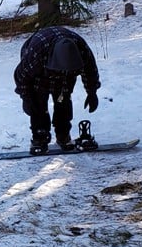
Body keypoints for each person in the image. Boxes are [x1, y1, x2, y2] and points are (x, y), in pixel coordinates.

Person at [13, 26, 100, 155]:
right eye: (62, 71)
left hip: (62, 75)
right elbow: (21, 76)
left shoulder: (81, 50)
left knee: (63, 99)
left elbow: (90, 71)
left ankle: (63, 133)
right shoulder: (37, 53)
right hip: (40, 73)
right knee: (38, 102)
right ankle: (39, 136)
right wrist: (26, 97)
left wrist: (92, 92)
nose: (63, 73)